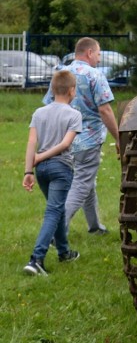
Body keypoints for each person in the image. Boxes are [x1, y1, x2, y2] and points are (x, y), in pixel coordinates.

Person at [43, 37, 119, 236]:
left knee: (86, 182)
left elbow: (49, 105)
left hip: (62, 141)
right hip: (88, 140)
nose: (99, 59)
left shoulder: (61, 74)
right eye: (99, 54)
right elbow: (105, 110)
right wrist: (119, 138)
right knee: (81, 185)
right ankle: (55, 232)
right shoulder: (95, 75)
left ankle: (95, 226)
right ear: (89, 53)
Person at [24, 70, 83, 275]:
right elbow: (66, 144)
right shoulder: (74, 114)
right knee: (53, 211)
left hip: (41, 171)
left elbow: (32, 142)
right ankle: (36, 259)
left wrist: (28, 171)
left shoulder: (39, 113)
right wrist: (41, 157)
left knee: (57, 209)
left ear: (52, 89)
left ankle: (64, 252)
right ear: (72, 91)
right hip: (61, 168)